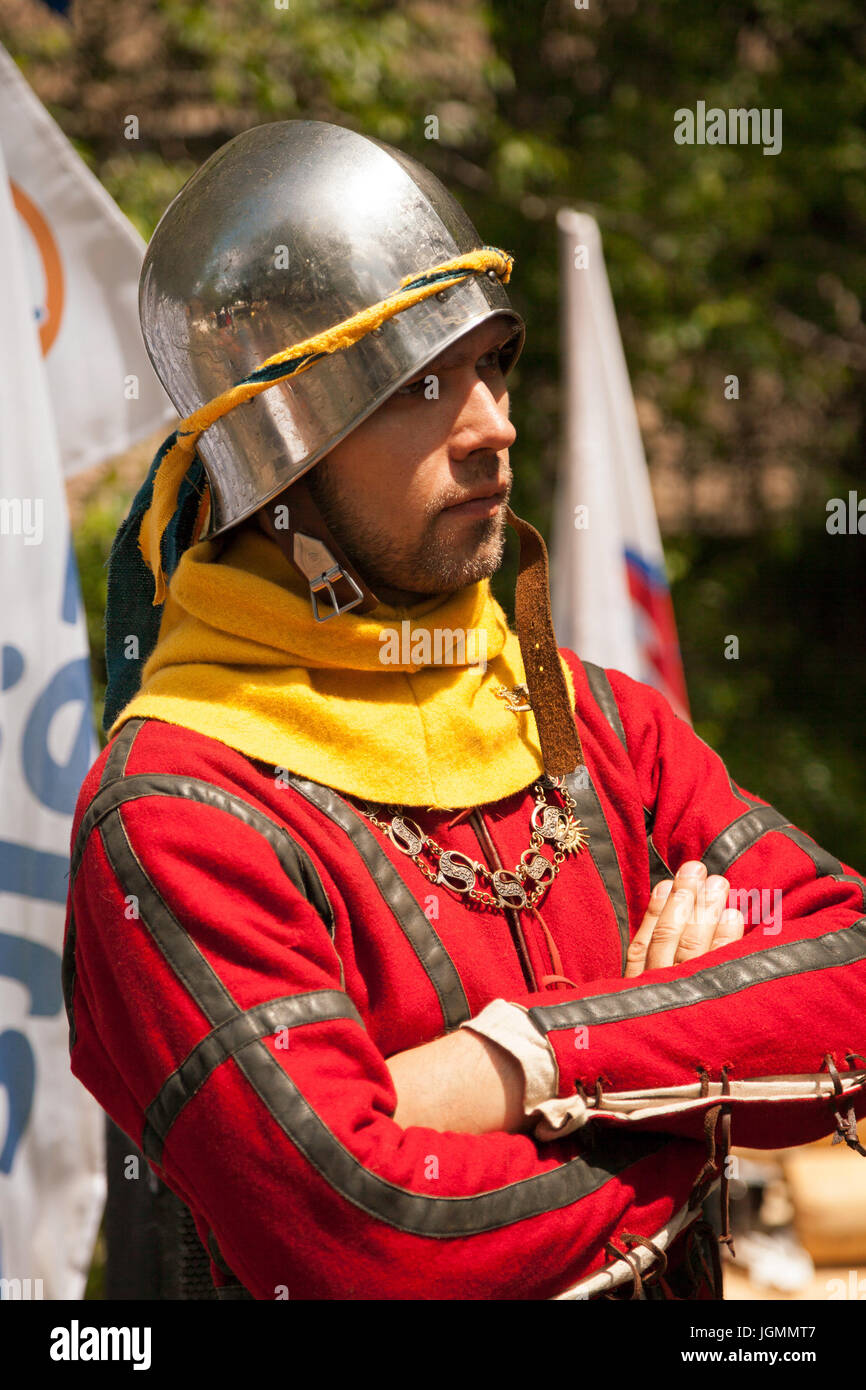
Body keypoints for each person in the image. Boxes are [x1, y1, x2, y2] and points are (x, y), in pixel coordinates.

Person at [63, 120, 866, 1301]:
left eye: (493, 365)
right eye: (422, 385)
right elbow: (372, 1244)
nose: (491, 422)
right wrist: (698, 1094)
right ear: (282, 457)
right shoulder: (180, 816)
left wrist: (523, 1056)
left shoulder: (596, 723)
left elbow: (847, 968)